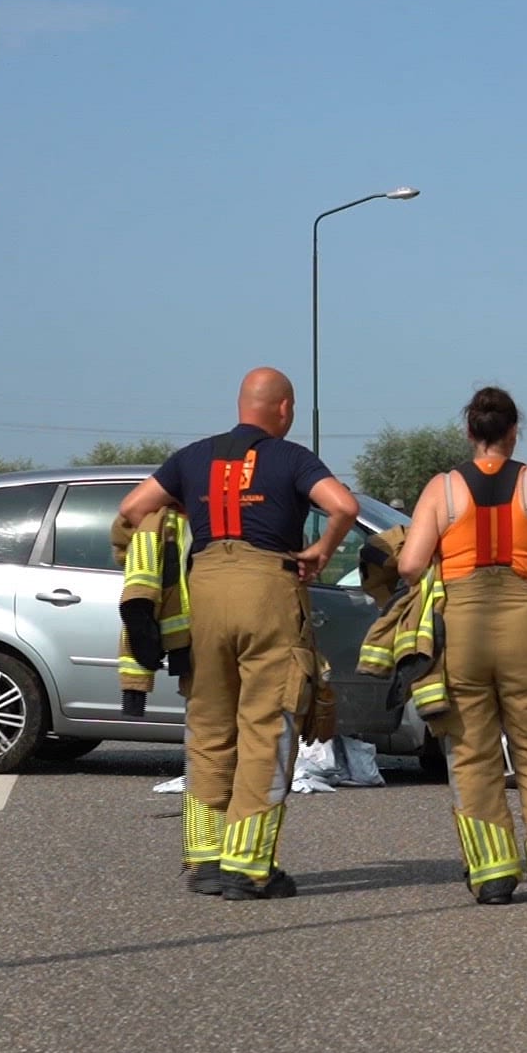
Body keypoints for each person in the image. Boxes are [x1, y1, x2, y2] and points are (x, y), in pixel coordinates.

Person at [118, 366, 359, 900]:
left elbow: (133, 509)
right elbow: (344, 506)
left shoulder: (191, 457)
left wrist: (184, 511)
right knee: (266, 730)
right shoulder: (293, 457)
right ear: (285, 408)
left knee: (208, 729)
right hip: (267, 593)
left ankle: (205, 861)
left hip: (203, 595)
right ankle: (248, 867)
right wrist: (321, 550)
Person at [397, 386, 527, 905]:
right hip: (524, 621)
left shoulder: (442, 490)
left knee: (470, 749)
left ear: (470, 432)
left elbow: (410, 565)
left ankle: (492, 875)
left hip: (463, 624)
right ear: (514, 433)